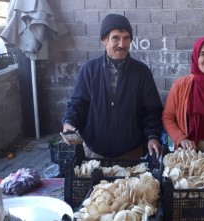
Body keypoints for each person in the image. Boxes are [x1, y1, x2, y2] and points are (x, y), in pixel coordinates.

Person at [62, 14, 163, 159]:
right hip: (93, 152)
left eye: (126, 38)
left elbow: (152, 110)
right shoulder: (89, 70)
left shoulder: (142, 72)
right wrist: (69, 122)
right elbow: (78, 103)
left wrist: (152, 136)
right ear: (104, 40)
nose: (122, 44)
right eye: (116, 38)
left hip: (131, 153)